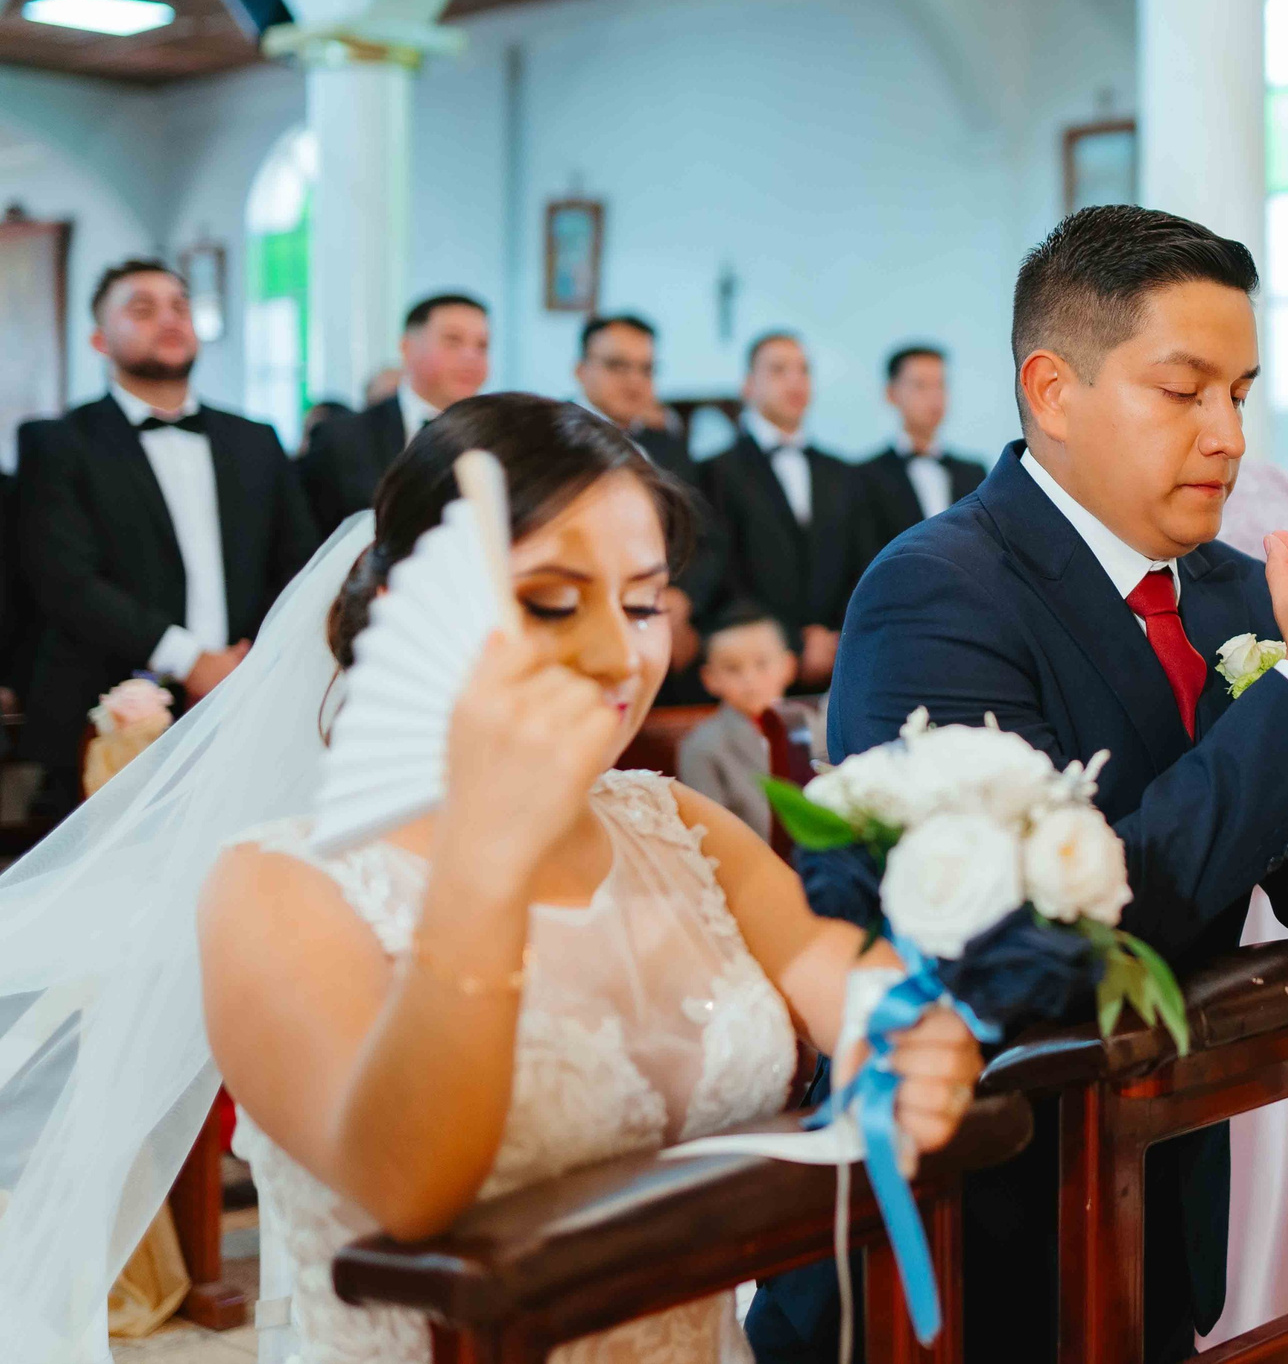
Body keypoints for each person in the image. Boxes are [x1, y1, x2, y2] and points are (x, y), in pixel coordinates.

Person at [750, 204, 1288, 1364]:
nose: (1227, 434)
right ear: (1054, 390)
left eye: (1241, 389)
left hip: (1154, 1193)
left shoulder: (1232, 594)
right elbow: (1049, 940)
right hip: (965, 1234)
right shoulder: (937, 591)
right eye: (1185, 390)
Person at [203, 396, 976, 1363]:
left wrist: (900, 1027)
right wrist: (483, 858)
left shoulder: (679, 823)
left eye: (645, 602)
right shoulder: (274, 887)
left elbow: (829, 961)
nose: (618, 654)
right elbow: (407, 1185)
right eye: (551, 602)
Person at [14, 259, 318, 827]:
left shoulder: (254, 440)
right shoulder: (57, 442)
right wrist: (192, 660)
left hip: (248, 698)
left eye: (180, 305)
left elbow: (299, 563)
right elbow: (66, 582)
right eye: (143, 308)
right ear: (99, 339)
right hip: (103, 707)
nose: (169, 318)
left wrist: (251, 663)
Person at [702, 331, 870, 695]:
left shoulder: (843, 472)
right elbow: (724, 570)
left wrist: (835, 636)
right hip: (756, 664)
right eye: (778, 370)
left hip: (838, 659)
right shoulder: (716, 471)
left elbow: (863, 559)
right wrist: (791, 642)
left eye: (803, 371)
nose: (795, 381)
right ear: (748, 385)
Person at [573, 313, 724, 675]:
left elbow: (705, 537)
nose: (635, 381)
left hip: (665, 628)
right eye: (618, 366)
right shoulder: (554, 441)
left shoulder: (669, 446)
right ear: (581, 370)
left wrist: (683, 600)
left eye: (646, 369)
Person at [302, 293, 491, 532]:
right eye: (453, 341)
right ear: (407, 348)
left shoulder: (501, 440)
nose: (471, 357)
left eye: (482, 346)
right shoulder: (342, 438)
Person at [678, 602, 825, 847]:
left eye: (762, 663)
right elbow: (710, 838)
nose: (749, 679)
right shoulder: (701, 747)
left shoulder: (821, 728)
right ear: (709, 678)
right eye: (732, 668)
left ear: (788, 666)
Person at [853, 343, 987, 561]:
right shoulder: (865, 477)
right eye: (920, 385)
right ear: (891, 394)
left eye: (940, 385)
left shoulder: (974, 473)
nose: (934, 396)